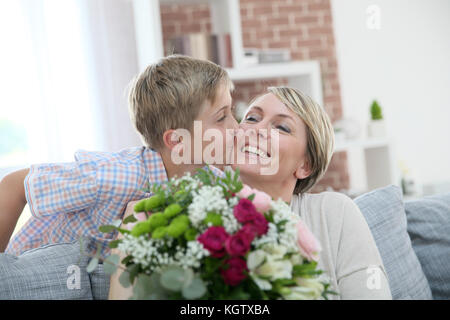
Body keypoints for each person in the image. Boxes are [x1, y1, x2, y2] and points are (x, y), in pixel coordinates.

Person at [0, 55, 238, 258]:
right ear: (177, 141)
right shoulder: (114, 176)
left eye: (232, 113)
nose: (235, 127)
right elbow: (13, 185)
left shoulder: (213, 182)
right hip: (36, 277)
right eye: (221, 118)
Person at [232, 86, 392, 299]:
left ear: (305, 166)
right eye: (251, 118)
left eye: (281, 127)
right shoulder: (195, 207)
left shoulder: (334, 213)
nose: (256, 129)